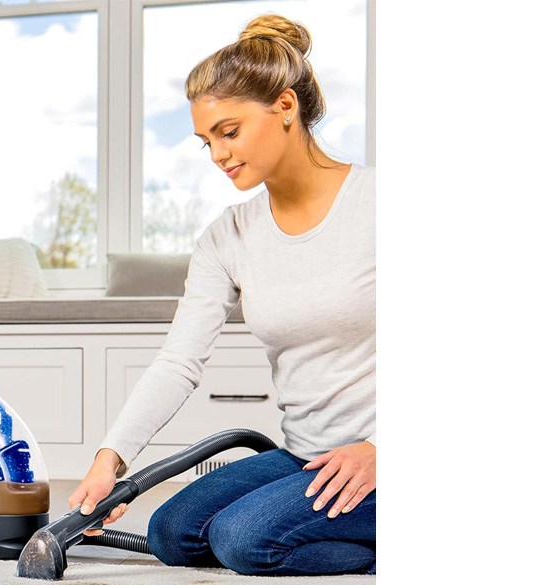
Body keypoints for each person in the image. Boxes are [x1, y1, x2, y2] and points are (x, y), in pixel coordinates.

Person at [67, 14, 376, 576]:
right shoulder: (228, 235)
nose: (217, 154)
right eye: (207, 140)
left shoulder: (377, 203)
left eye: (229, 132)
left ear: (286, 107)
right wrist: (109, 460)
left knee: (244, 541)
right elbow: (179, 361)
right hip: (306, 454)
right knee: (171, 533)